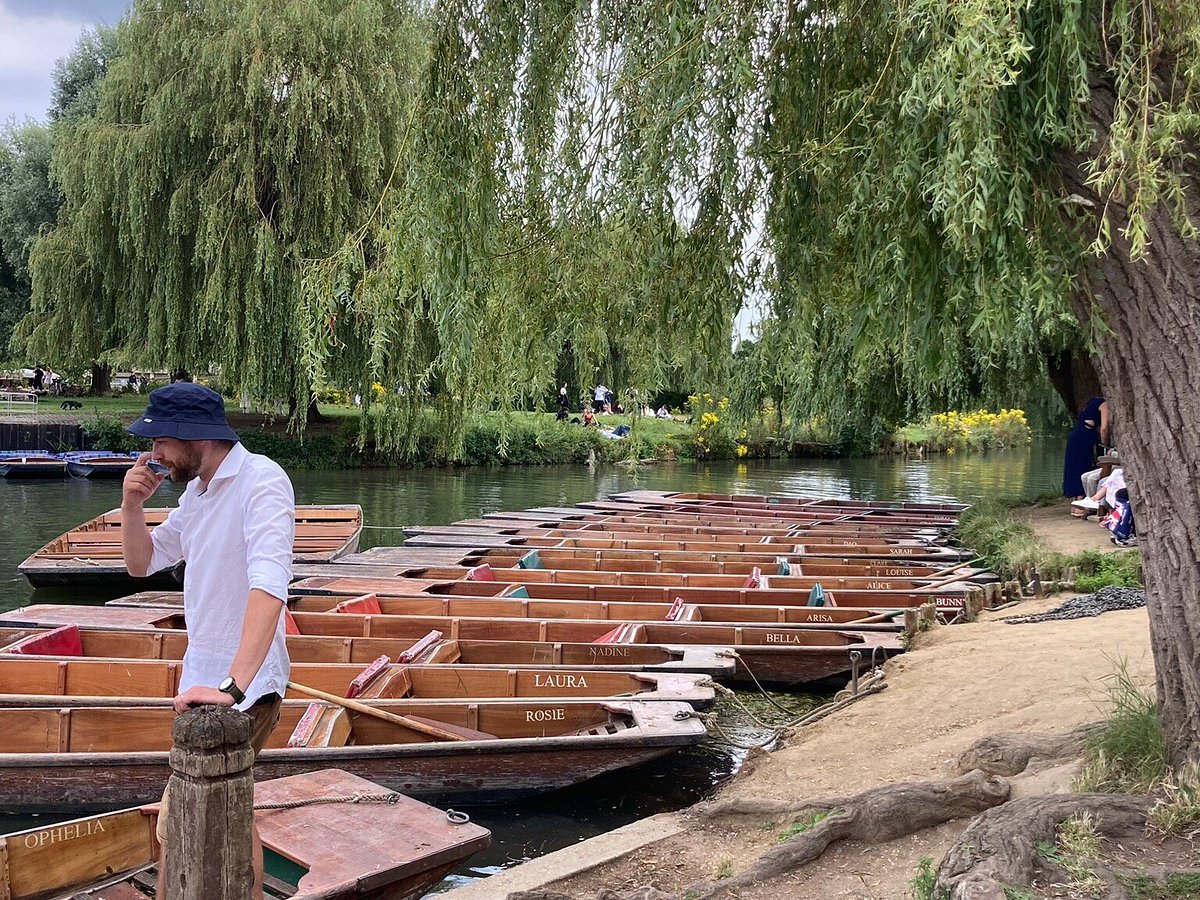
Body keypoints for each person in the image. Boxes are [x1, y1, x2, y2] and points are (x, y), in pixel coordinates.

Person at [121, 382, 294, 900]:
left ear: (197, 437)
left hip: (245, 686)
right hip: (205, 682)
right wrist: (131, 505)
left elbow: (270, 586)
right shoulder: (197, 493)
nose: (153, 456)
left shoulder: (262, 481)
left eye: (161, 443)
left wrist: (233, 687)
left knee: (185, 818)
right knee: (223, 813)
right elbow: (140, 562)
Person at [1062, 396, 1108, 499]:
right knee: (1084, 465)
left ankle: (1076, 500)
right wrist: (1105, 444)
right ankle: (1080, 499)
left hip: (1076, 434)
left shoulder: (1091, 402)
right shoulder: (1103, 404)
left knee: (1074, 466)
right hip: (1085, 436)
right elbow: (1104, 428)